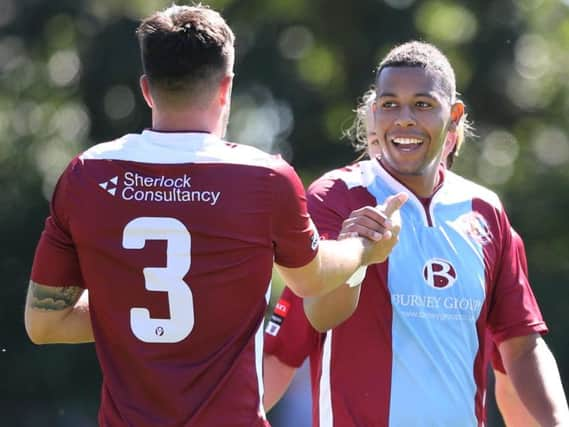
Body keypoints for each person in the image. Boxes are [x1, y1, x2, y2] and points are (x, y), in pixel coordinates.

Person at [24, 5, 407, 426]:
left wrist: (136, 305)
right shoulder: (264, 176)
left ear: (147, 89)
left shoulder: (87, 173)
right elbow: (310, 279)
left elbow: (44, 323)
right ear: (225, 88)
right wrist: (361, 247)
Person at [264, 41, 569, 426]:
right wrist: (358, 257)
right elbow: (314, 321)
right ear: (374, 114)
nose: (404, 119)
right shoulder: (337, 196)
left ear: (454, 116)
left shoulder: (485, 211)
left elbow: (520, 351)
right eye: (390, 104)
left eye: (422, 104)